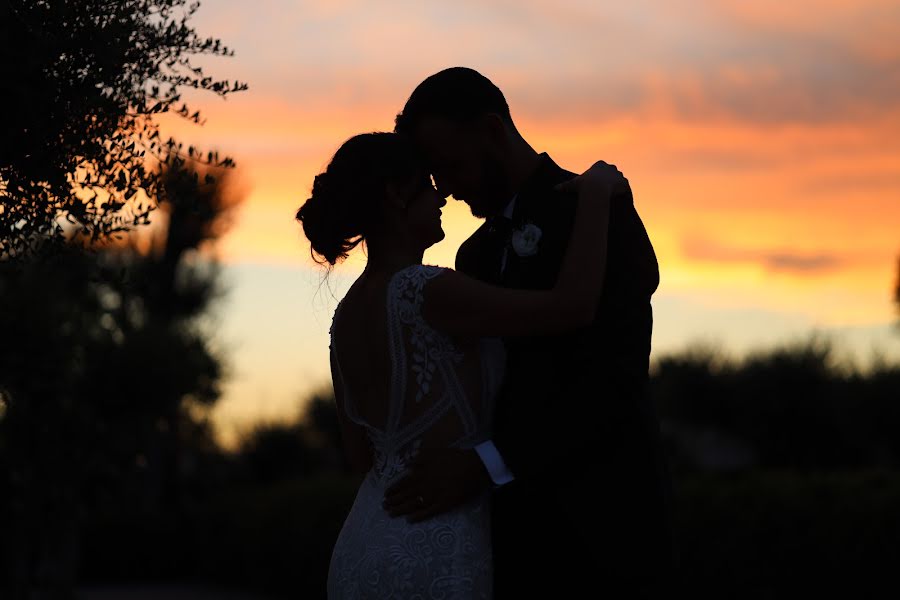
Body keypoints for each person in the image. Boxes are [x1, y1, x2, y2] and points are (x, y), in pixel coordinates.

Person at [385, 67, 674, 598]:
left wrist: (486, 464)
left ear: (493, 131)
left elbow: (612, 376)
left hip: (602, 532)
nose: (444, 189)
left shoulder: (593, 210)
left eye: (449, 166)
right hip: (509, 540)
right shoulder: (472, 255)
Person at [296, 131, 623, 599]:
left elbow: (361, 457)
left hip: (364, 544)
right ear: (395, 194)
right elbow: (572, 308)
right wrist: (594, 197)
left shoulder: (344, 317)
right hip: (438, 546)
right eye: (428, 184)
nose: (441, 195)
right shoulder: (428, 291)